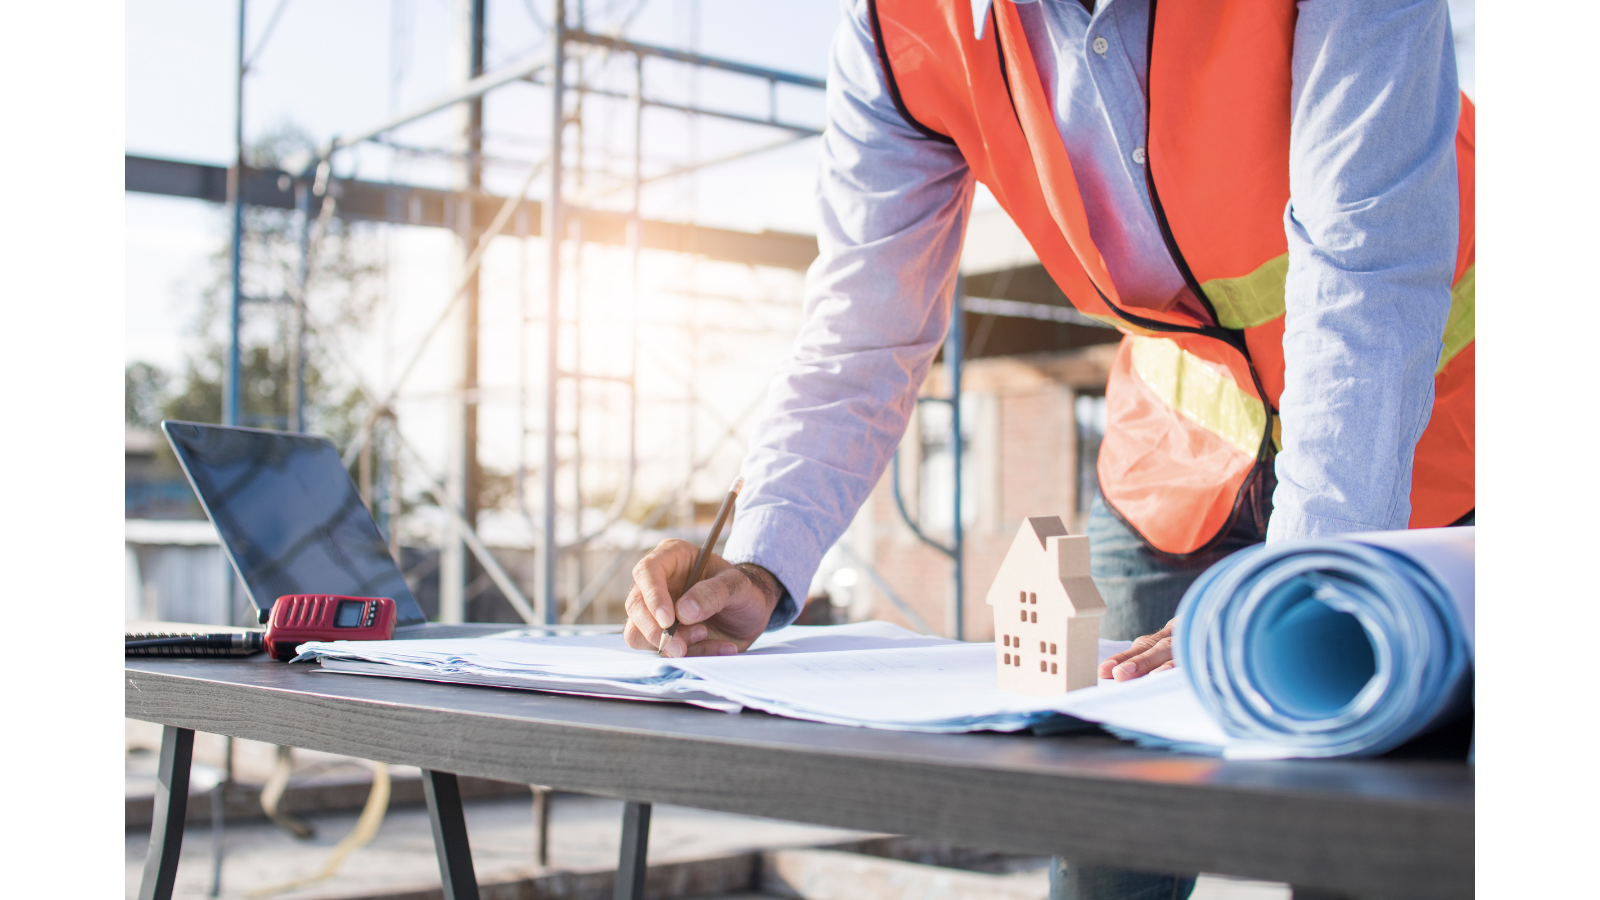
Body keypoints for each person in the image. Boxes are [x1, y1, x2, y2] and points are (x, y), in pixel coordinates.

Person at [624, 1, 1472, 895]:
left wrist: (1288, 599)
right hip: (1178, 466)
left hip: (1428, 450)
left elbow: (1366, 274)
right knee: (1108, 845)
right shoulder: (897, 26)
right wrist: (757, 563)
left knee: (1369, 838)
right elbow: (860, 335)